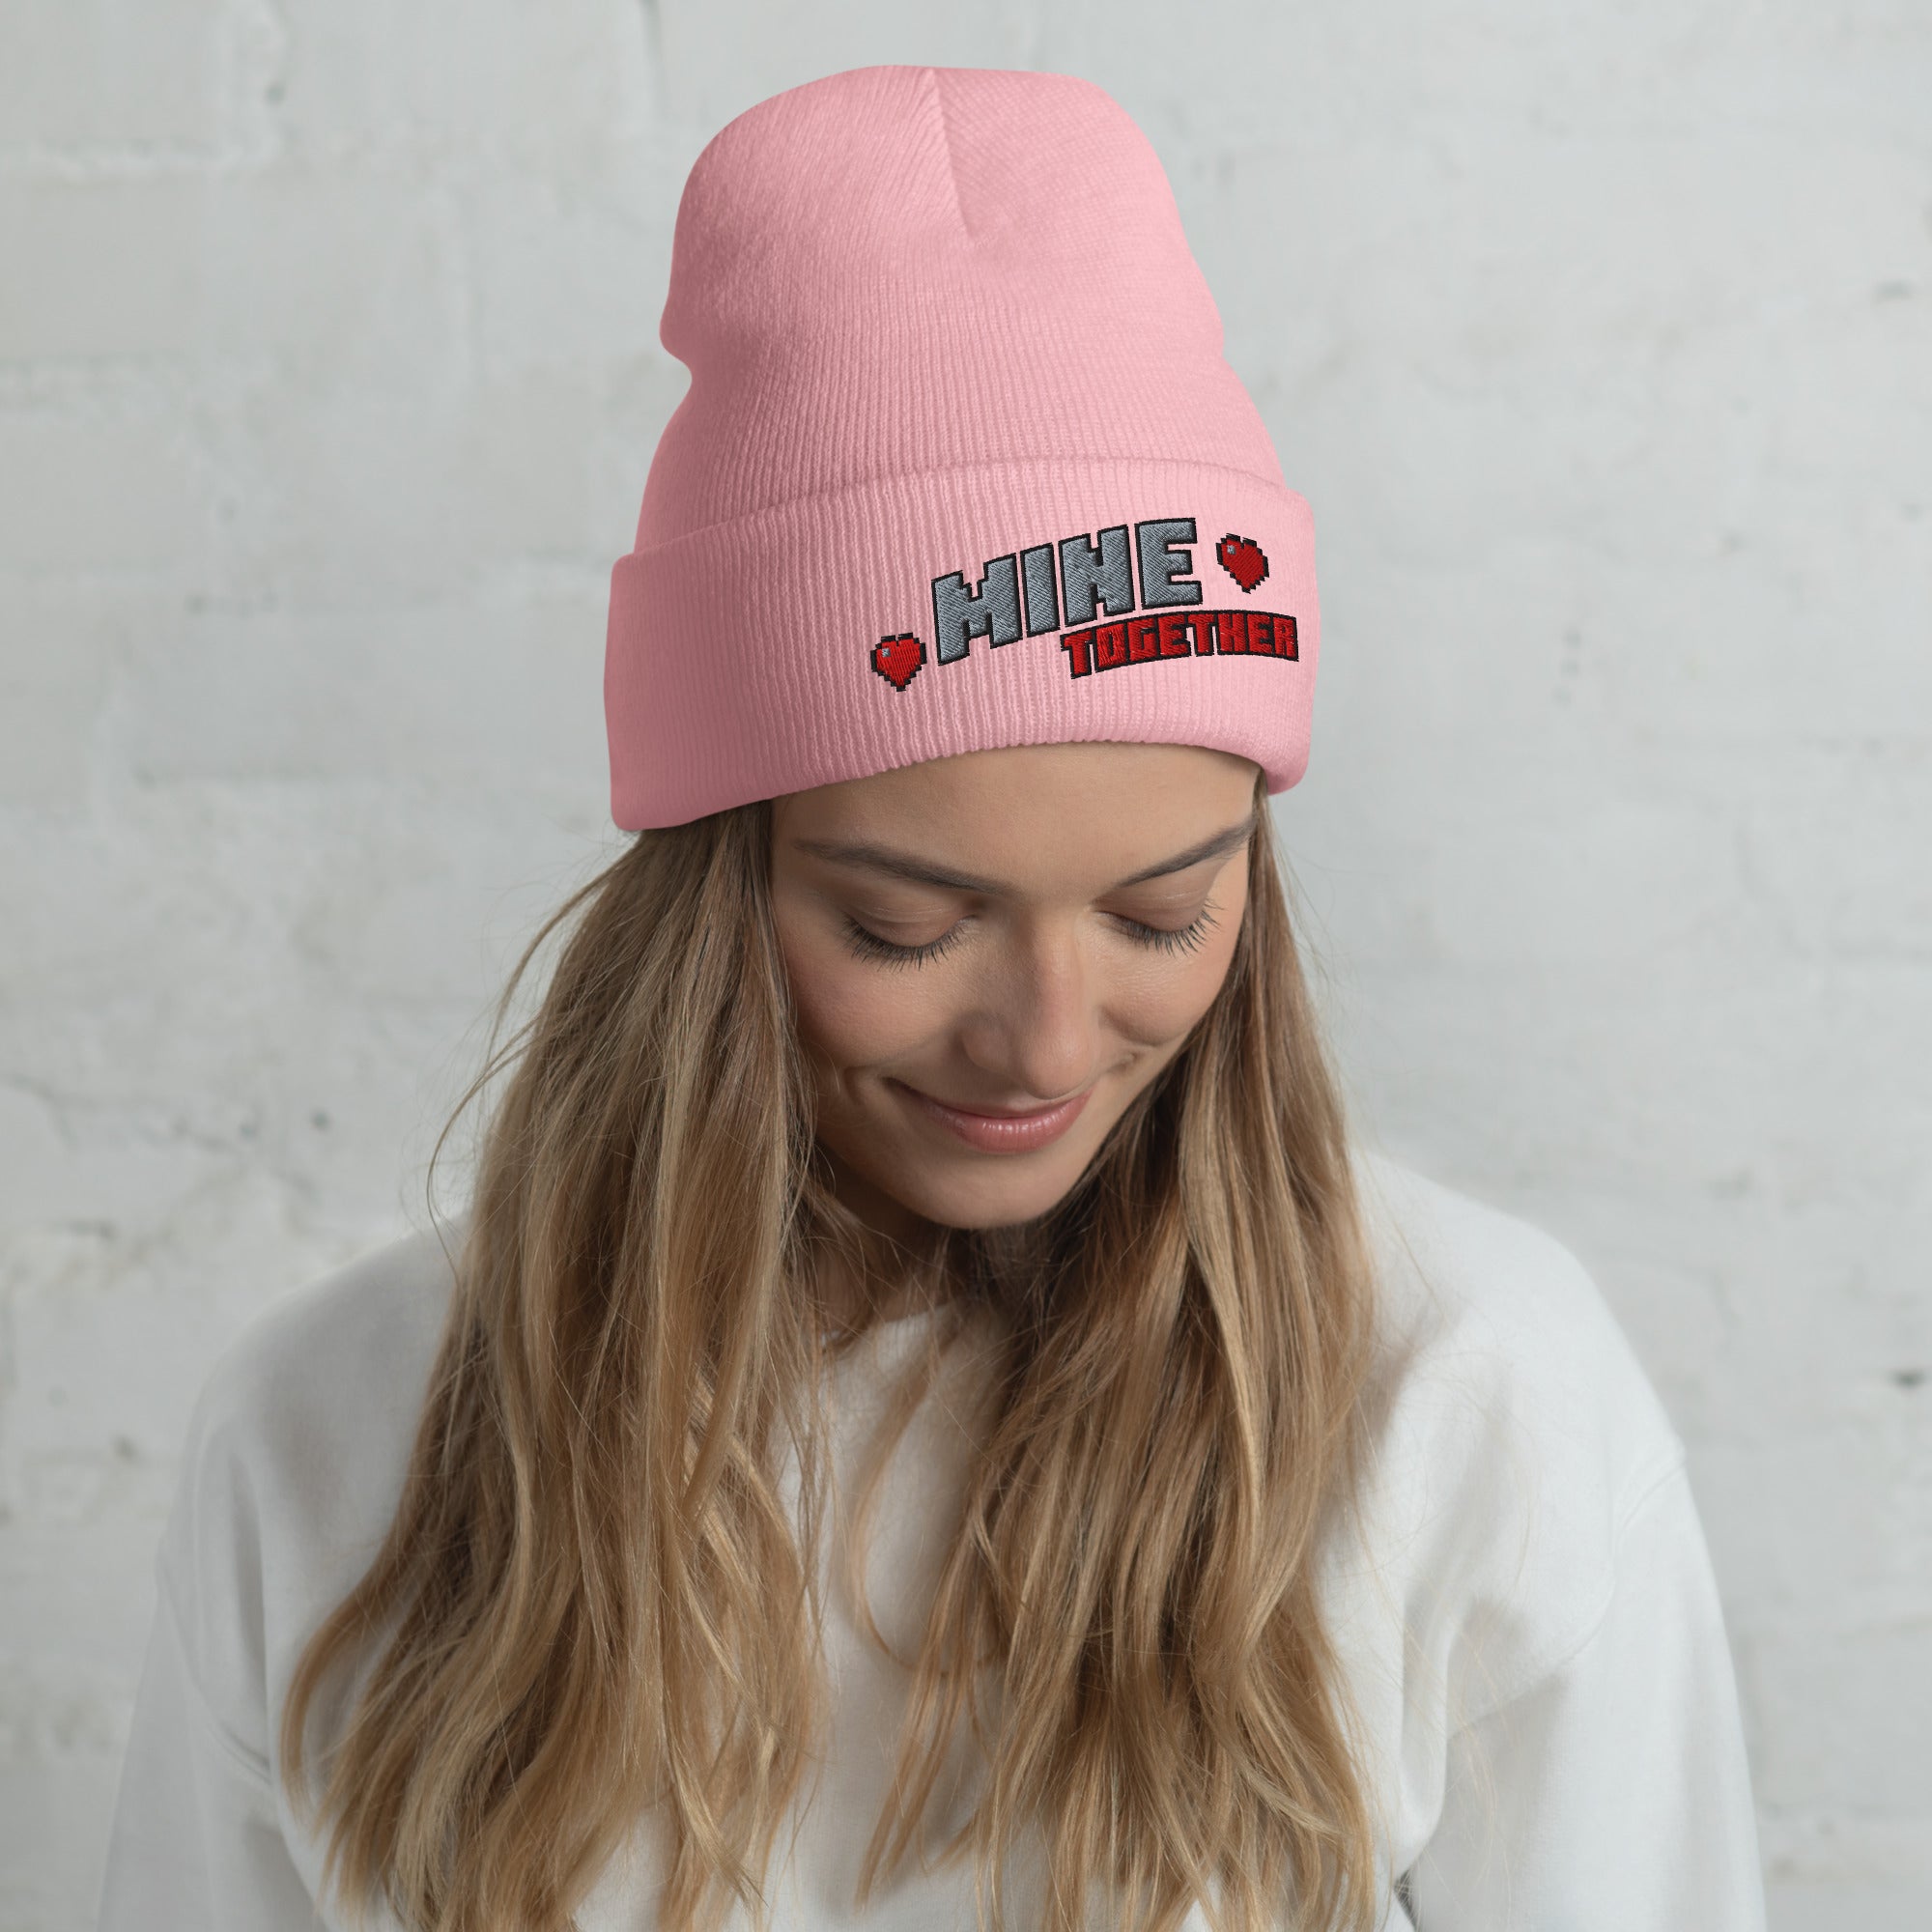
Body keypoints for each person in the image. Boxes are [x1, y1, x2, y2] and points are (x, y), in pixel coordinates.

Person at [96, 64, 1769, 1932]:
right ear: (713, 897)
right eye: (904, 928)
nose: (1046, 1043)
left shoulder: (1469, 1400)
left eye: (1162, 915)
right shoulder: (328, 1441)